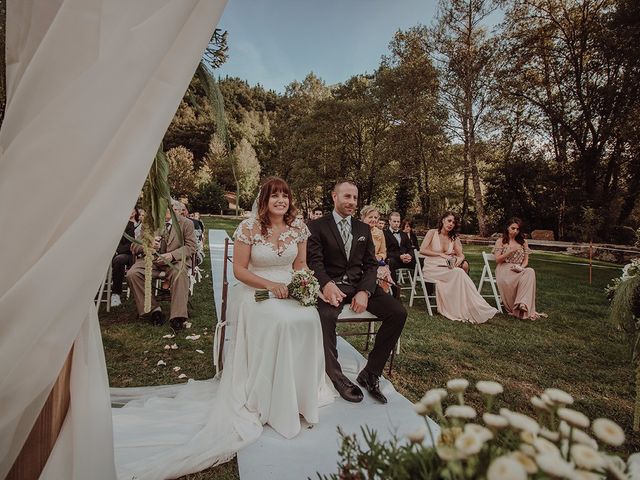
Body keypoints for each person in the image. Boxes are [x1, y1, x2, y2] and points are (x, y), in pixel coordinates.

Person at [112, 178, 334, 480]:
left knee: (309, 318)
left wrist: (305, 285)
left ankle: (299, 393)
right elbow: (240, 271)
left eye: (285, 195)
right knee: (281, 322)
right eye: (275, 196)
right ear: (265, 200)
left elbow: (301, 264)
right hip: (255, 290)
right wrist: (271, 285)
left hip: (289, 289)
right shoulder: (248, 228)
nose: (281, 200)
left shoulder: (299, 229)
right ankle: (267, 395)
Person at [308, 180, 407, 404]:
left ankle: (371, 373)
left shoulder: (363, 229)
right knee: (325, 316)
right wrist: (325, 284)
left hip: (358, 285)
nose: (352, 202)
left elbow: (371, 265)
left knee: (397, 312)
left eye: (354, 197)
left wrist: (365, 291)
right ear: (334, 197)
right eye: (347, 196)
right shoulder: (316, 226)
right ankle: (336, 375)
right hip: (330, 287)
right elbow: (314, 261)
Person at [126, 199, 196, 330]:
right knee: (132, 274)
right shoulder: (149, 223)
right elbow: (134, 246)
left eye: (167, 208)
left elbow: (191, 247)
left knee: (179, 273)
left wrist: (172, 255)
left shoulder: (186, 223)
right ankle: (154, 310)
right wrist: (148, 244)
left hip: (175, 262)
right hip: (152, 261)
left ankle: (178, 316)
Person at [419, 211, 497, 324]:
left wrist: (459, 260)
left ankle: (470, 306)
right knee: (459, 273)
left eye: (453, 222)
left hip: (446, 267)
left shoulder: (453, 237)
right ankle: (470, 305)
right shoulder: (432, 233)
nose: (451, 224)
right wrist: (440, 254)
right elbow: (422, 250)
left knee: (459, 272)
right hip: (432, 268)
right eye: (449, 221)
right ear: (443, 220)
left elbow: (461, 254)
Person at [493, 217, 544, 319]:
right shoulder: (501, 241)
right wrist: (510, 251)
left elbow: (526, 260)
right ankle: (518, 305)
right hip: (504, 268)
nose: (515, 231)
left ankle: (522, 304)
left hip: (519, 268)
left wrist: (520, 267)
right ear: (507, 228)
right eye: (513, 228)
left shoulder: (523, 242)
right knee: (525, 274)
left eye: (518, 229)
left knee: (530, 271)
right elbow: (497, 260)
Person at [360, 205, 394, 294]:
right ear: (363, 218)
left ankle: (382, 295)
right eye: (370, 217)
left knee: (384, 272)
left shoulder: (380, 232)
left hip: (375, 263)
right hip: (360, 264)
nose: (373, 219)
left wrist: (379, 257)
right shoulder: (357, 230)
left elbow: (383, 252)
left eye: (375, 217)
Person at [110, 207, 138, 307]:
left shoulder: (132, 225)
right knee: (117, 259)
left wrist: (117, 251)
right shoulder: (114, 225)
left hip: (131, 254)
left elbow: (130, 244)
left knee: (119, 259)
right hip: (118, 254)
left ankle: (115, 294)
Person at [383, 212, 413, 298]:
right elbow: (385, 251)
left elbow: (410, 248)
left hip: (406, 259)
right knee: (390, 263)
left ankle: (428, 291)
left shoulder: (404, 234)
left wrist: (410, 256)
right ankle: (395, 292)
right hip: (394, 259)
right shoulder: (384, 234)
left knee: (421, 262)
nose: (396, 224)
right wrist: (399, 256)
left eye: (398, 222)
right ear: (389, 221)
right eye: (394, 221)